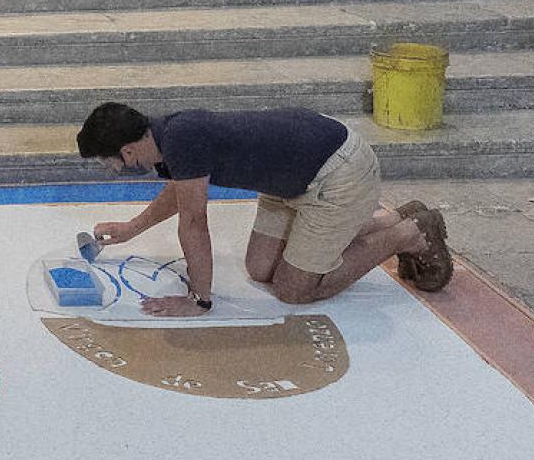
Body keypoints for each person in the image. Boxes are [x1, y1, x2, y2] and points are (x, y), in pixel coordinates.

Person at [75, 102, 452, 316]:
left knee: (293, 289)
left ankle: (410, 232)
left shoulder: (181, 139)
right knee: (260, 269)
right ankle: (392, 220)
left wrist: (200, 299)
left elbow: (193, 222)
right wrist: (131, 228)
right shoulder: (164, 137)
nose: (113, 169)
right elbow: (181, 192)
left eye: (110, 163)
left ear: (127, 151)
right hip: (292, 178)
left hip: (338, 173)